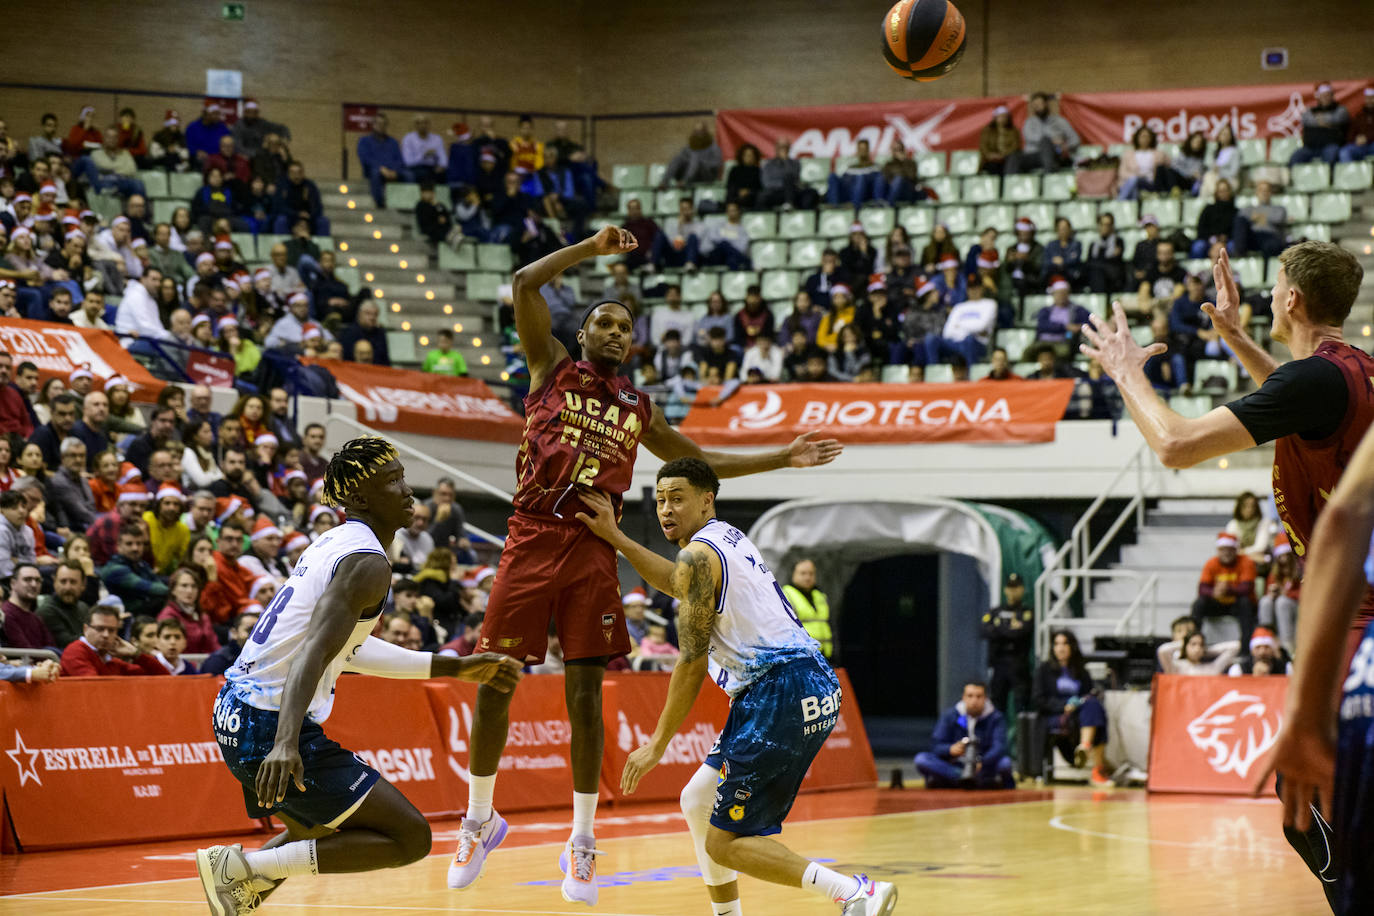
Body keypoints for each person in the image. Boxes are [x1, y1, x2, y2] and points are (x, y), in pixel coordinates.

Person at [446, 226, 843, 902]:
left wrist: (783, 457)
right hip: (531, 534)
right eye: (602, 322)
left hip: (593, 548)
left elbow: (700, 465)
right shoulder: (549, 370)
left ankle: (582, 842)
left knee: (584, 696)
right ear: (580, 335)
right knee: (497, 675)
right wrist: (592, 249)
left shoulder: (637, 407)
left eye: (625, 328)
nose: (614, 332)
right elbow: (523, 284)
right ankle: (480, 818)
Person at [1084, 243, 1371, 895]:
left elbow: (1176, 444)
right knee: (1319, 796)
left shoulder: (1312, 382)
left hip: (1357, 617)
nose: (1269, 296)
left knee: (1307, 794)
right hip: (1355, 607)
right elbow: (1296, 405)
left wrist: (1125, 371)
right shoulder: (1348, 373)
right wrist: (1239, 338)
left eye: (1274, 287)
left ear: (1292, 299)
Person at [194, 436, 523, 915]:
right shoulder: (366, 563)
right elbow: (312, 653)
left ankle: (240, 888)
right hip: (268, 722)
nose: (409, 491)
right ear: (361, 499)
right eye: (393, 482)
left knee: (315, 833)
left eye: (403, 477)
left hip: (237, 710)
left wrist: (455, 667)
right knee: (410, 837)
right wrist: (285, 743)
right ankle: (240, 866)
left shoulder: (337, 542)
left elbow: (347, 648)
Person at [574, 458, 895, 914]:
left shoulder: (699, 556)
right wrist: (618, 538)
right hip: (805, 682)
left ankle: (855, 892)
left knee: (724, 843)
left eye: (678, 498)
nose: (666, 509)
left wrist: (658, 743)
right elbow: (677, 582)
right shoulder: (726, 536)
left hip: (777, 692)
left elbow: (690, 658)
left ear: (707, 500)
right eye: (661, 499)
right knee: (696, 800)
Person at [1033, 630, 1112, 787]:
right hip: (1055, 715)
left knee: (1094, 706)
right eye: (1057, 644)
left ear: (1072, 647)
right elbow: (1038, 699)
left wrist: (1077, 704)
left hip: (1080, 714)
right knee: (1097, 716)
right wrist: (1063, 706)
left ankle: (1085, 746)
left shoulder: (1081, 671)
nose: (1061, 648)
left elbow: (1088, 694)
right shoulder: (1044, 670)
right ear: (1052, 648)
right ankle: (1097, 769)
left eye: (1065, 643)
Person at [915, 681, 1014, 789]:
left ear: (985, 698)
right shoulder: (950, 716)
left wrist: (983, 761)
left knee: (1005, 764)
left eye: (979, 696)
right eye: (970, 696)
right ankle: (969, 780)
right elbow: (935, 745)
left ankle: (954, 782)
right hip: (956, 766)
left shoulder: (996, 718)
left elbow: (999, 747)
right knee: (922, 759)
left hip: (983, 766)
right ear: (963, 697)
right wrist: (950, 749)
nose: (974, 700)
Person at [59, 604, 169, 677]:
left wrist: (136, 654)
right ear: (85, 629)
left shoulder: (112, 661)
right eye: (100, 629)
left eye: (111, 630)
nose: (106, 635)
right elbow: (94, 688)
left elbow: (163, 676)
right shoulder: (75, 651)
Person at [982, 572, 1034, 716]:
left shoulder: (1026, 612)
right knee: (997, 705)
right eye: (1010, 588)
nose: (1013, 591)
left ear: (1022, 589)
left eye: (1016, 587)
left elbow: (1022, 632)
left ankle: (1022, 738)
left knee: (1021, 705)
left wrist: (999, 628)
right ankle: (996, 738)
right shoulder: (995, 611)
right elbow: (985, 631)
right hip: (999, 663)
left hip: (1019, 665)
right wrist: (1009, 629)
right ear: (1005, 590)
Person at [1009, 92, 1079, 174]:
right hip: (1034, 155)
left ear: (1046, 104)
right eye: (1035, 105)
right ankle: (1011, 184)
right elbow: (1029, 137)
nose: (1037, 107)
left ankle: (1050, 178)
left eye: (1039, 104)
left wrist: (1066, 147)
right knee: (1013, 157)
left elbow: (1075, 139)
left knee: (1046, 144)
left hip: (1055, 154)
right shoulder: (1029, 122)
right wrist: (1052, 140)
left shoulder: (1060, 121)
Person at [356, 112, 413, 208]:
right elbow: (365, 158)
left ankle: (407, 203)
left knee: (409, 175)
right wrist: (381, 169)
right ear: (373, 125)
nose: (381, 126)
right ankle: (380, 203)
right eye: (378, 124)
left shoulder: (393, 142)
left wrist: (394, 170)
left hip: (392, 170)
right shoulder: (364, 141)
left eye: (383, 124)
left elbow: (399, 159)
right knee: (375, 173)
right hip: (374, 170)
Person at [1291, 82, 1351, 166]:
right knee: (1296, 157)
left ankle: (1328, 178)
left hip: (1330, 145)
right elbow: (1305, 119)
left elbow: (1338, 118)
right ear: (1318, 97)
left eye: (1328, 95)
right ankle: (1292, 179)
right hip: (1311, 147)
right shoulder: (1311, 110)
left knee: (1330, 156)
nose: (1325, 98)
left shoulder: (1340, 109)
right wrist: (1327, 123)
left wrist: (1318, 120)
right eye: (1323, 95)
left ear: (1332, 96)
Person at [37, 560, 91, 649]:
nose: (68, 587)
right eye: (63, 581)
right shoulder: (46, 611)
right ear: (54, 582)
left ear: (83, 584)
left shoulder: (83, 607)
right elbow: (66, 642)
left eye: (73, 582)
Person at [1, 563, 54, 650]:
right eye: (27, 579)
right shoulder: (6, 614)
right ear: (13, 583)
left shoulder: (36, 618)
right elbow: (26, 652)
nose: (34, 584)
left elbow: (52, 647)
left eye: (37, 580)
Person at [200, 609, 260, 676]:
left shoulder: (264, 656)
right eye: (249, 630)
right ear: (234, 633)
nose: (255, 634)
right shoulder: (218, 660)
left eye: (258, 630)